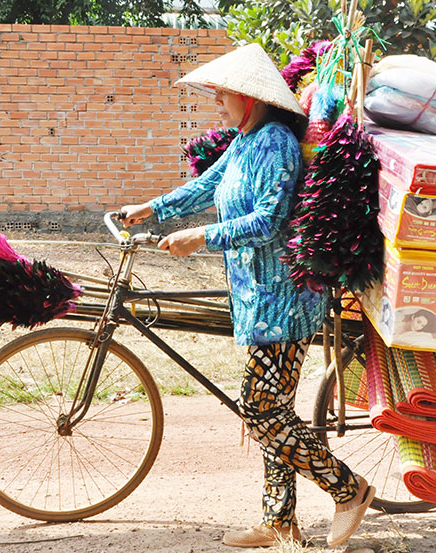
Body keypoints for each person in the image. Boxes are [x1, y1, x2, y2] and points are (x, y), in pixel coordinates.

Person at [121, 43, 374, 549]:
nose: (216, 100)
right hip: (256, 295)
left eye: (221, 94)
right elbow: (207, 185)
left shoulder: (277, 142)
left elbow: (268, 221)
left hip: (285, 298)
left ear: (248, 97)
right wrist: (152, 208)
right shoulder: (244, 141)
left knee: (259, 407)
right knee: (273, 407)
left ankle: (349, 489)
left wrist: (202, 237)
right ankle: (279, 520)